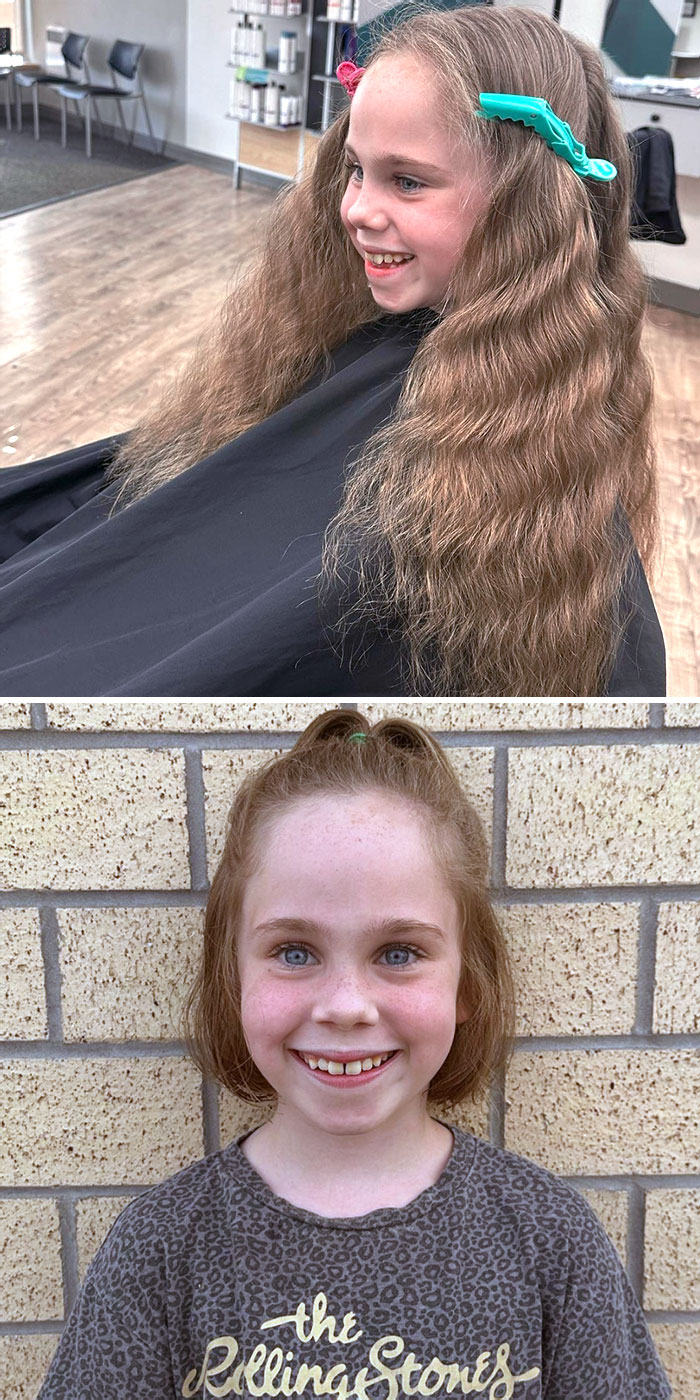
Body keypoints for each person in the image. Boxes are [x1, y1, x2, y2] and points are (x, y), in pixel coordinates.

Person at [0, 4, 665, 696]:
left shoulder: (541, 504)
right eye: (356, 171)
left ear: (529, 201)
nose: (355, 209)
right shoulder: (356, 352)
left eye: (407, 181)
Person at [37, 709, 671, 1400]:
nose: (345, 1004)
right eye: (294, 952)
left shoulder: (550, 1239)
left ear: (468, 981)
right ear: (234, 975)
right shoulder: (160, 1250)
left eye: (398, 953)